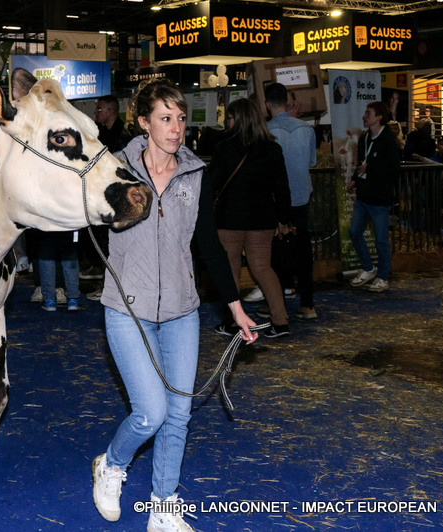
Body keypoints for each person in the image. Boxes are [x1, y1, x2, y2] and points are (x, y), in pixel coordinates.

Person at [92, 78, 256, 532]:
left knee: (179, 414)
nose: (176, 127)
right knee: (151, 412)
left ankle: (164, 507)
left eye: (181, 118)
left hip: (183, 311)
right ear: (143, 123)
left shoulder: (194, 173)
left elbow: (208, 245)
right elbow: (90, 226)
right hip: (128, 308)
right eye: (165, 118)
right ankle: (111, 464)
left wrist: (235, 306)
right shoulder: (113, 170)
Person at [210, 98, 292, 338]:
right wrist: (284, 217)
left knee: (231, 271)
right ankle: (281, 321)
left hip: (230, 219)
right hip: (262, 219)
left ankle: (233, 322)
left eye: (230, 117)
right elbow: (282, 188)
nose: (227, 122)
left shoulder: (225, 148)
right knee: (263, 269)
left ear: (239, 119)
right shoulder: (272, 149)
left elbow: (212, 183)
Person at [262, 82, 318, 320]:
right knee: (303, 249)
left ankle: (277, 305)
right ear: (287, 101)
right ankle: (308, 304)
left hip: (276, 201)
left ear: (266, 105)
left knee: (274, 253)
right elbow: (312, 162)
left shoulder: (265, 131)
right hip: (302, 197)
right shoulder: (306, 129)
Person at [82, 95, 133, 300]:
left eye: (99, 109)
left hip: (117, 196)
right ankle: (105, 279)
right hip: (101, 194)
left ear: (110, 111)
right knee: (102, 241)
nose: (96, 112)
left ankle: (111, 286)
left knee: (115, 244)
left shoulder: (124, 136)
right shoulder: (100, 133)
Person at [347, 101, 400, 292]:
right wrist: (355, 178)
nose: (364, 116)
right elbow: (363, 163)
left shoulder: (388, 141)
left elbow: (393, 169)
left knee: (381, 240)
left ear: (379, 117)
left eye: (368, 113)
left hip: (380, 198)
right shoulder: (364, 139)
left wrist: (372, 167)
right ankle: (368, 268)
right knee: (354, 232)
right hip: (363, 196)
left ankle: (383, 277)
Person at [38, 231, 80, 312]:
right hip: (68, 223)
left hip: (48, 224)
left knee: (47, 253)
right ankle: (73, 300)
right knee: (69, 253)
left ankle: (49, 300)